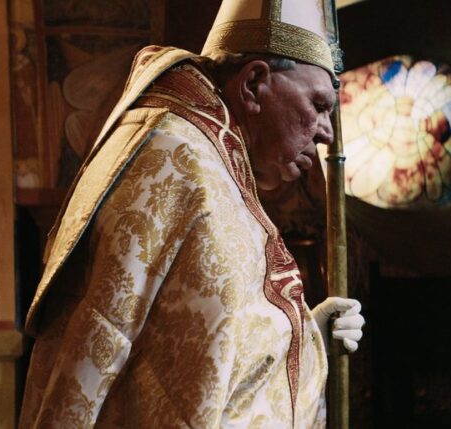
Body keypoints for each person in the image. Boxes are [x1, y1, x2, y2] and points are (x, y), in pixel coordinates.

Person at [18, 0, 364, 427]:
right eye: (319, 104)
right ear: (253, 84)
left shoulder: (210, 157)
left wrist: (306, 338)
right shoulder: (174, 160)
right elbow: (101, 341)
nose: (327, 132)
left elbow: (201, 343)